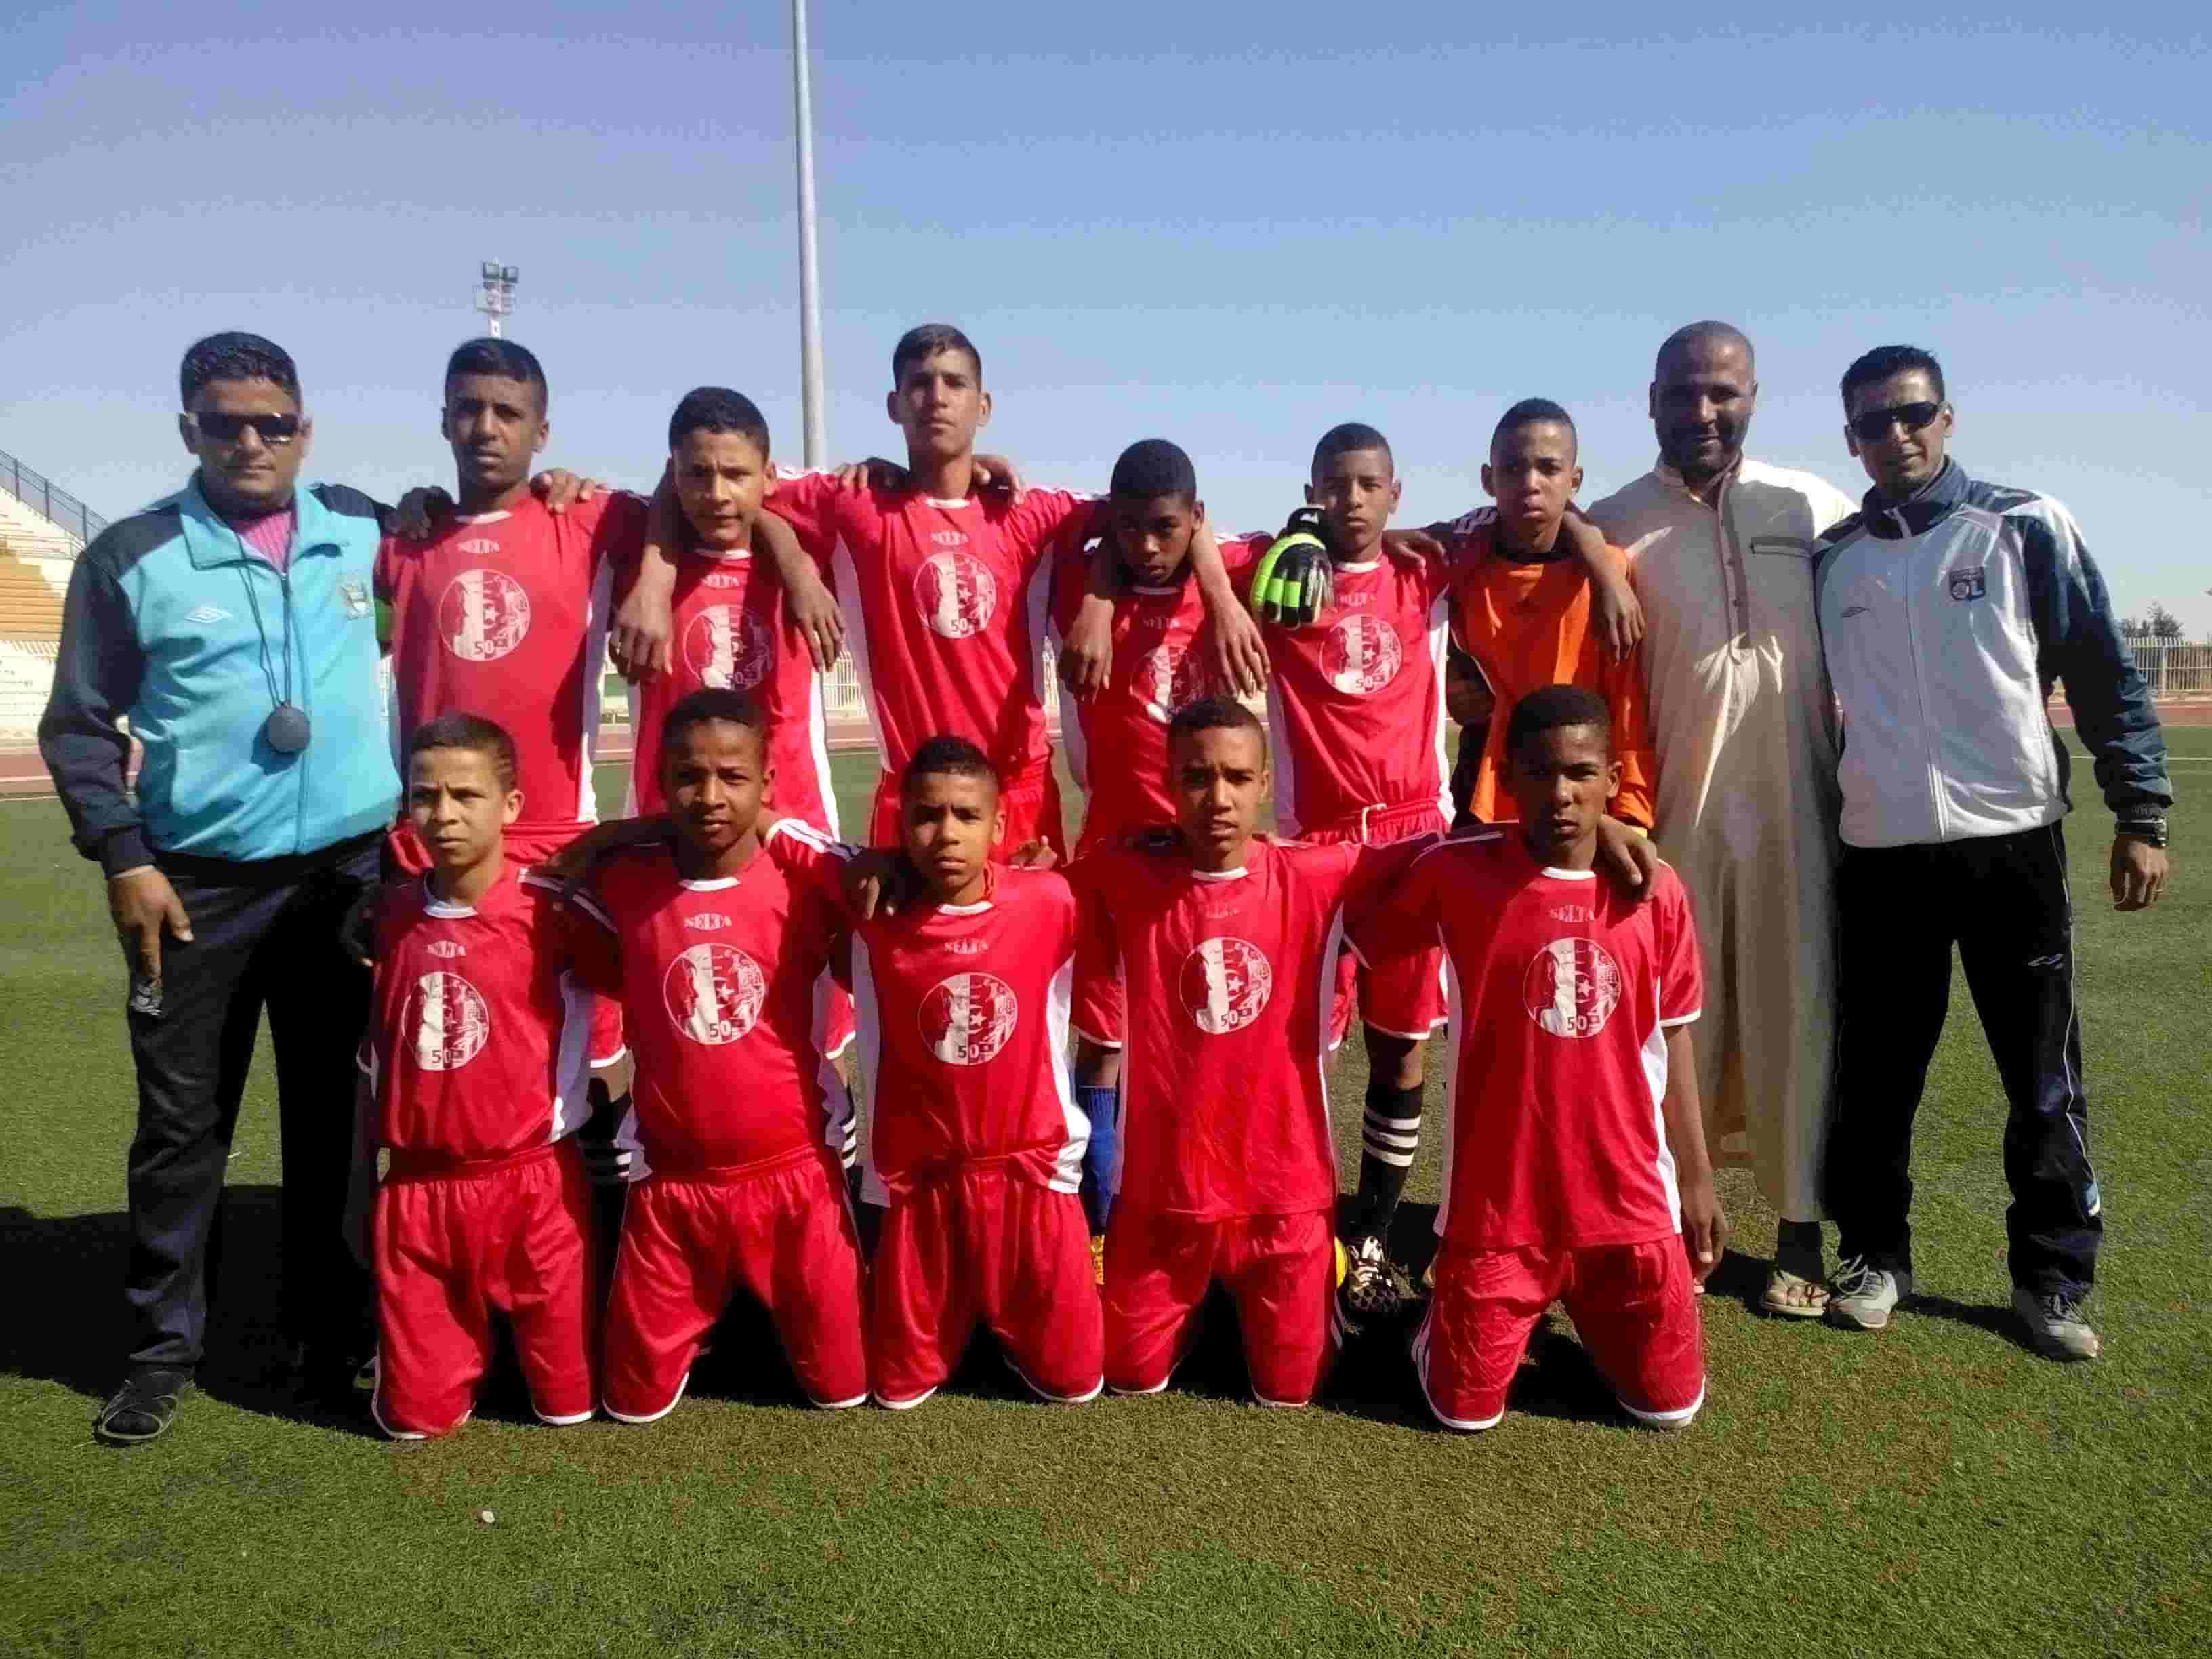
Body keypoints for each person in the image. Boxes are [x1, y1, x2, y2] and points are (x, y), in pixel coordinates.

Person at [42, 332, 396, 1443]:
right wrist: (125, 854)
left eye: (272, 422)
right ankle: (162, 1348)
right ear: (188, 429)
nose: (251, 441)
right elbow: (78, 723)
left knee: (336, 1118)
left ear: (305, 428)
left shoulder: (365, 528)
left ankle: (330, 1330)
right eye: (225, 423)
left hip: (348, 876)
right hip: (194, 885)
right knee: (182, 1125)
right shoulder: (134, 555)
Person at [1814, 345, 2172, 1361]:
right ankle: (1875, 1256)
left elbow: (2101, 669)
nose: (1896, 435)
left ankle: (2051, 1277)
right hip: (1883, 856)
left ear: (1948, 417)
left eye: (1913, 414)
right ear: (1852, 439)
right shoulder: (1834, 560)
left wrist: (2141, 812)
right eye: (1874, 423)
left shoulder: (2023, 524)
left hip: (2013, 845)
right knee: (1878, 1079)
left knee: (2041, 1077)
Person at [1586, 321, 1860, 1317]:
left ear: (1753, 397)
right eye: (1682, 393)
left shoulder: (1813, 507)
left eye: (1723, 393)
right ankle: (1664, 1219)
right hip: (1674, 821)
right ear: (1650, 401)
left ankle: (1800, 1229)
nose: (1702, 411)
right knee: (1670, 1027)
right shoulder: (1613, 523)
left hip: (1801, 809)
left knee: (1801, 1011)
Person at [754, 323, 1263, 855]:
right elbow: (745, 485)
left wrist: (1200, 600)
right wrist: (797, 565)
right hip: (916, 797)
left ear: (984, 407)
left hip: (1019, 797)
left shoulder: (1027, 510)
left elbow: (1160, 511)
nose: (937, 398)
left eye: (955, 383)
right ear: (894, 405)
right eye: (920, 384)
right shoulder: (856, 503)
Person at [1360, 684, 1721, 1432]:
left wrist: (1696, 1179)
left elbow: (1676, 1038)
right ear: (1507, 776)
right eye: (1541, 772)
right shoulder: (1456, 875)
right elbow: (1353, 906)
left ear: (1612, 779)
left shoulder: (1655, 891)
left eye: (1582, 773)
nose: (1562, 794)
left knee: (1670, 1409)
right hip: (1500, 1213)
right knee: (1461, 1413)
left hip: (1628, 1206)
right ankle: (1441, 1325)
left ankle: (1586, 1314)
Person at [1065, 698, 1430, 1406]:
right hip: (1163, 1199)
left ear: (1265, 783)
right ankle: (1196, 1305)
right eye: (1197, 778)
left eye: (1236, 777)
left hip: (1283, 1200)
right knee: (1129, 1376)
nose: (1218, 798)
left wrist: (1600, 831)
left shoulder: (1322, 874)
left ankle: (1313, 1272)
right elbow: (1006, 890)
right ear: (1168, 784)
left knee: (1292, 1389)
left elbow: (1451, 855)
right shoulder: (1122, 873)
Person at [771, 736, 1105, 1409]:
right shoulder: (874, 911)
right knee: (896, 1388)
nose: (946, 833)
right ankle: (965, 1311)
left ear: (999, 826)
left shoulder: (1051, 900)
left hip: (1030, 1175)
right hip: (921, 1183)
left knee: (1076, 1382)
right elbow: (769, 824)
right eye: (927, 815)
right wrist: (868, 861)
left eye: (966, 815)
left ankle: (1010, 1307)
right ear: (901, 824)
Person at [569, 689, 867, 1418]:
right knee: (628, 1402)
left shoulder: (808, 885)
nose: (709, 797)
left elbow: (892, 889)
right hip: (672, 1182)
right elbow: (538, 906)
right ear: (660, 779)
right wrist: (604, 840)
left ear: (767, 783)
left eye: (732, 777)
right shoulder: (623, 882)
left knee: (847, 1387)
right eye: (687, 777)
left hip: (796, 1173)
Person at [344, 714, 601, 1439]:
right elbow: (374, 1063)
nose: (444, 814)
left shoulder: (554, 910)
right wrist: (360, 1185)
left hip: (534, 1186)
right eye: (425, 796)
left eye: (466, 795)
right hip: (420, 1190)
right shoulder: (388, 916)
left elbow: (643, 974)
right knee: (412, 1422)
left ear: (510, 806)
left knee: (568, 1408)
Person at [1048, 438, 1259, 1248]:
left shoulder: (1234, 571)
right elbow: (1080, 530)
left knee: (1212, 1035)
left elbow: (1307, 538)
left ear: (1196, 520)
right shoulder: (1078, 583)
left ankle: (1213, 1212)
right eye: (1129, 528)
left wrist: (1220, 592)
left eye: (1166, 528)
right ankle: (1102, 1230)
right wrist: (1100, 597)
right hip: (1116, 851)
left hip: (1211, 860)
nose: (1146, 545)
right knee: (1102, 1045)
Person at [1439, 399, 1656, 834]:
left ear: (1574, 480)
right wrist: (1450, 679)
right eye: (1513, 469)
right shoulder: (1460, 568)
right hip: (1481, 798)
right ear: (1488, 479)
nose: (1530, 484)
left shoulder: (1608, 575)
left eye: (1549, 469)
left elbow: (1627, 701)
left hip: (1576, 804)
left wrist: (1633, 813)